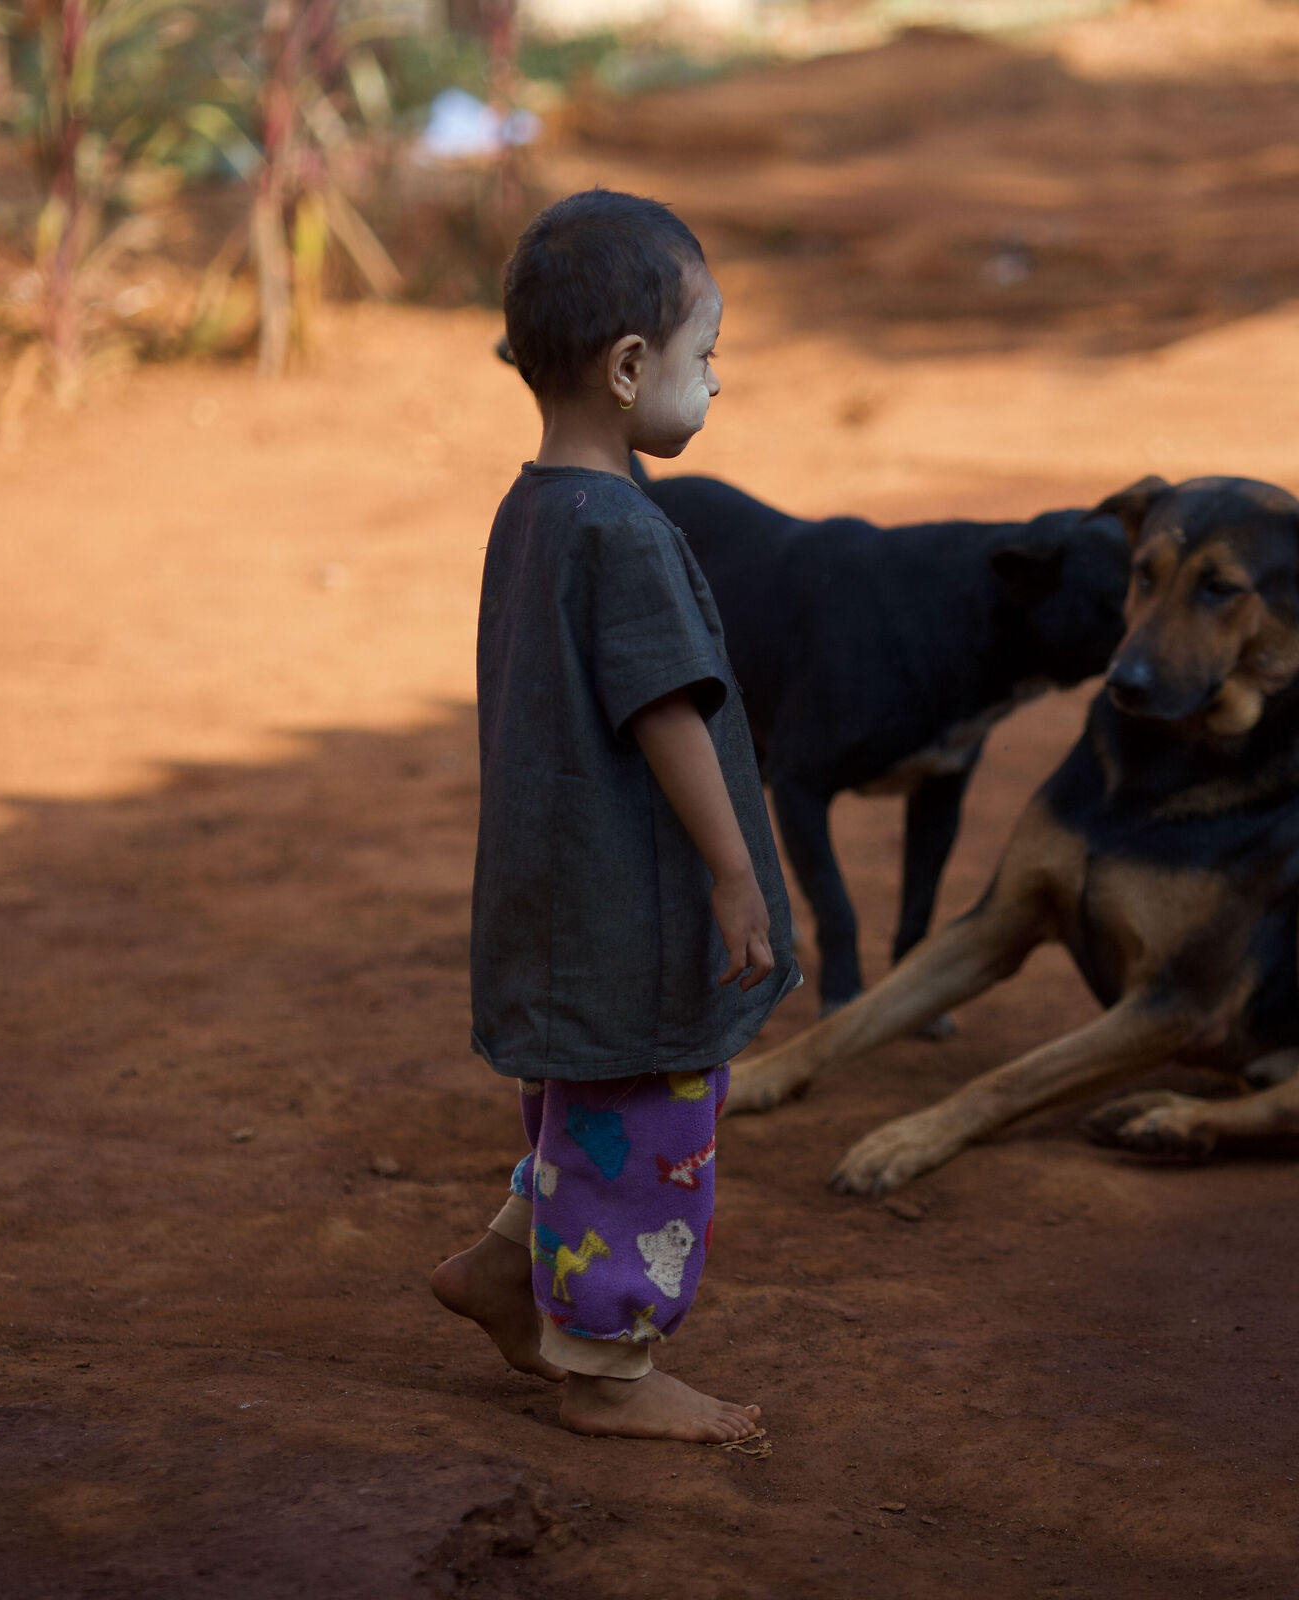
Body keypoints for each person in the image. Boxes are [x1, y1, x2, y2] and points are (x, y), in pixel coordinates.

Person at [430, 189, 798, 1443]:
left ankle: (503, 1260)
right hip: (632, 909)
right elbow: (666, 714)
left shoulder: (533, 509)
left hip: (552, 898)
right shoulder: (628, 532)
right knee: (649, 1125)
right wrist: (734, 875)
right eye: (706, 356)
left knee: (581, 1107)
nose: (715, 381)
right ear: (632, 366)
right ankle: (606, 1370)